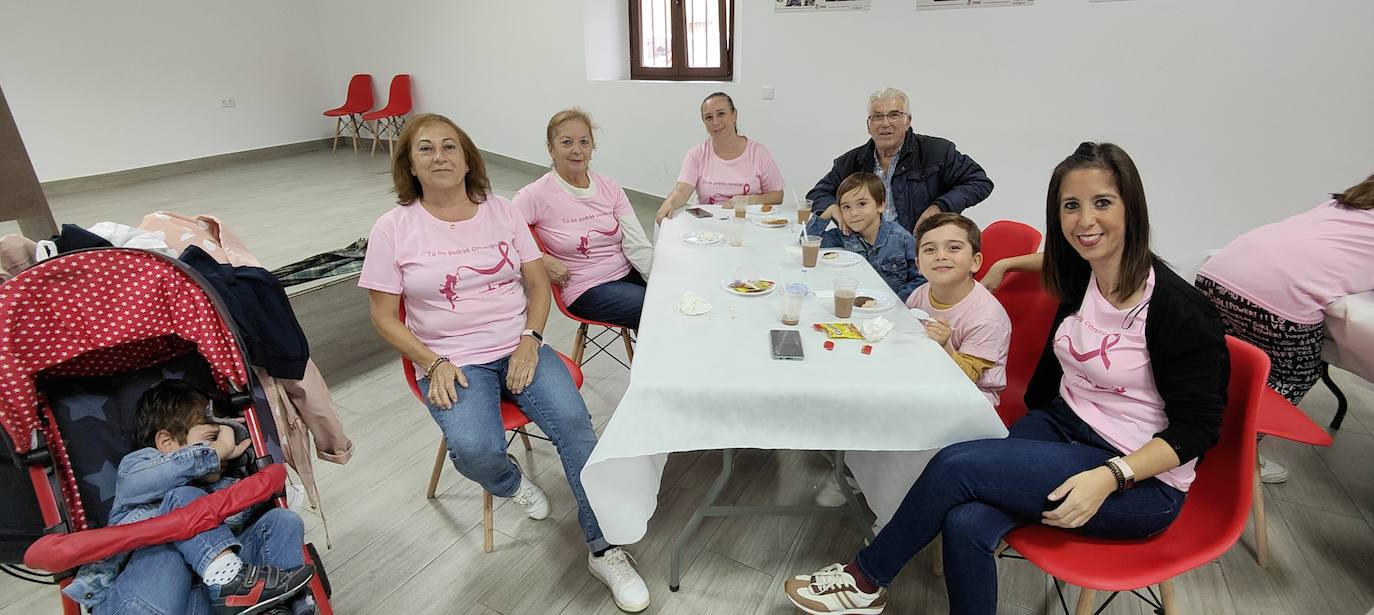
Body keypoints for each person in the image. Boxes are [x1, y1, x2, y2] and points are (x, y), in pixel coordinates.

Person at [783, 142, 1228, 615]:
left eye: (1102, 203)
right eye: (1070, 206)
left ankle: (864, 579)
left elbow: (1198, 430)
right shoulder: (1085, 275)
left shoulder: (1179, 309)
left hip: (1140, 477)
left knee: (957, 465)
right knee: (966, 521)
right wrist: (1008, 262)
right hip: (1063, 429)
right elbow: (1052, 258)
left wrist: (1110, 476)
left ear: (1131, 206)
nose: (1085, 221)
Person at [359, 113, 649, 612]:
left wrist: (532, 338)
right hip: (452, 360)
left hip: (520, 345)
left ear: (468, 157)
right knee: (474, 450)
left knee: (577, 428)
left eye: (450, 147)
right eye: (425, 149)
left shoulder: (500, 211)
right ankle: (511, 482)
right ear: (409, 163)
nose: (440, 156)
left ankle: (605, 548)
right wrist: (432, 363)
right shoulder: (393, 228)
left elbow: (538, 285)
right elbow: (385, 317)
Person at [65, 379, 316, 615]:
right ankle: (228, 580)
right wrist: (215, 452)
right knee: (184, 502)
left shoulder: (221, 485)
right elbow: (166, 477)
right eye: (211, 438)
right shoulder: (137, 469)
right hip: (142, 599)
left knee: (282, 521)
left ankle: (275, 606)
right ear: (166, 442)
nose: (223, 449)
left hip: (201, 602)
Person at [1194, 172, 1374, 483]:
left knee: (1223, 361)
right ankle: (1236, 453)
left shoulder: (1344, 205)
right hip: (1279, 300)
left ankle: (1187, 430)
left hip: (1218, 273)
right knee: (1296, 374)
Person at [515, 108, 653, 330]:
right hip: (585, 288)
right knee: (659, 309)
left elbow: (637, 242)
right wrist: (539, 259)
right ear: (551, 149)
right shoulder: (535, 195)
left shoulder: (610, 186)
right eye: (567, 142)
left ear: (592, 149)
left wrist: (659, 280)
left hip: (625, 272)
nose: (577, 150)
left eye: (584, 142)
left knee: (675, 298)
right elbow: (499, 239)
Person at [806, 87, 993, 237]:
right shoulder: (851, 161)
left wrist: (940, 207)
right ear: (868, 125)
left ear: (908, 120)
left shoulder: (937, 152)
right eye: (877, 117)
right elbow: (817, 194)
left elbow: (979, 182)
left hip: (920, 248)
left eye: (894, 115)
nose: (885, 123)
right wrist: (834, 209)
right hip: (867, 251)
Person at [908, 213, 1012, 407]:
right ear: (918, 265)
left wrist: (946, 346)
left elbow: (970, 376)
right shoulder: (920, 293)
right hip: (927, 377)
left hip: (971, 400)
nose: (940, 256)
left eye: (954, 248)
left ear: (975, 262)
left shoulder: (987, 317)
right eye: (930, 249)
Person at [655, 92, 785, 222]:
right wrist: (670, 202)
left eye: (721, 114)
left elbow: (777, 196)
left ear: (734, 115)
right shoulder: (697, 154)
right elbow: (681, 192)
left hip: (746, 223)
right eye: (709, 117)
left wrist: (749, 200)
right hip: (707, 229)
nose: (715, 122)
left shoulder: (758, 153)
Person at [814, 172, 922, 302]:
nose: (853, 213)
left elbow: (922, 278)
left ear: (881, 205)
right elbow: (808, 242)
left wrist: (898, 301)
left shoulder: (901, 238)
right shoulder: (844, 235)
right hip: (855, 305)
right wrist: (829, 212)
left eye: (862, 204)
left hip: (893, 308)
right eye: (846, 207)